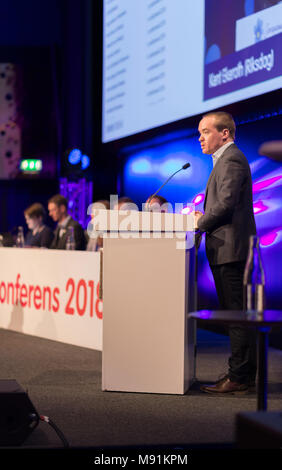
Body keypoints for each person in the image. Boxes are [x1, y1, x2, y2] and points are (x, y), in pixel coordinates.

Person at [194, 111, 257, 394]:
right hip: (225, 249)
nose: (200, 138)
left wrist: (199, 223)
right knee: (235, 315)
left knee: (236, 316)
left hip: (232, 251)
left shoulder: (231, 158)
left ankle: (240, 377)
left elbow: (227, 204)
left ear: (225, 134)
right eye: (200, 133)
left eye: (205, 132)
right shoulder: (223, 160)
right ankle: (241, 372)